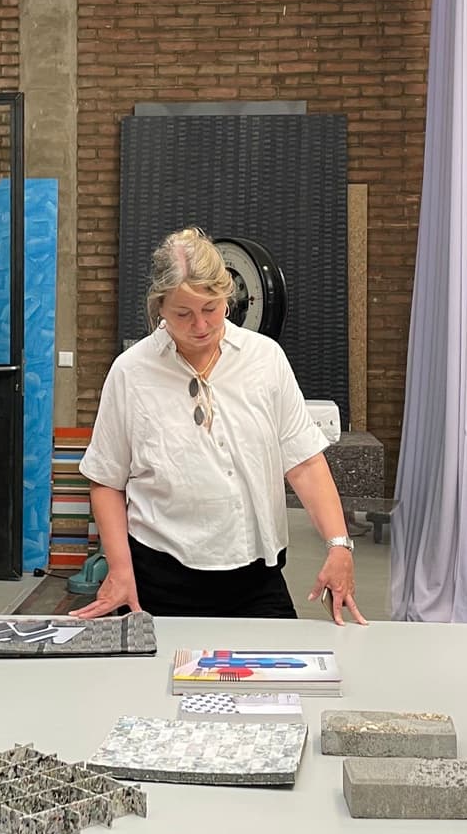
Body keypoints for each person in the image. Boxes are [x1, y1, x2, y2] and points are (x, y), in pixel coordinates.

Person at [73, 227, 365, 624]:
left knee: (275, 682)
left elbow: (305, 464)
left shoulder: (265, 360)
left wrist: (338, 545)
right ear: (159, 306)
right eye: (182, 313)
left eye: (211, 308)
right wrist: (120, 572)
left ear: (228, 297)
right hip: (158, 580)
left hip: (256, 578)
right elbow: (107, 480)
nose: (200, 326)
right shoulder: (131, 373)